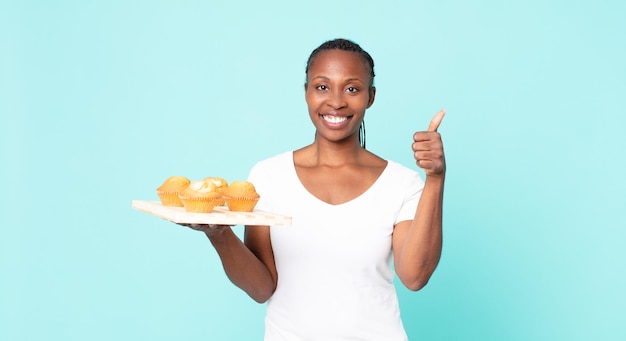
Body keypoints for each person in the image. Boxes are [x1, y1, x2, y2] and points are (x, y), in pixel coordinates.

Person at [185, 38, 446, 340]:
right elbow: (261, 288)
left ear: (370, 97)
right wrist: (218, 233)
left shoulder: (401, 183)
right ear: (306, 92)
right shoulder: (268, 176)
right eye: (322, 87)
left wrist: (435, 179)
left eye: (352, 88)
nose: (336, 101)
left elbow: (415, 276)